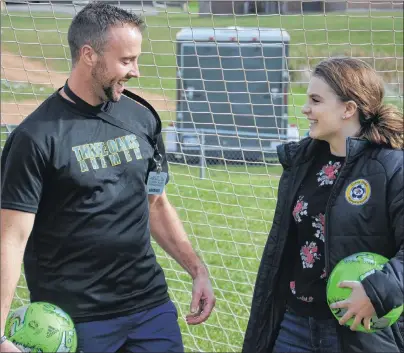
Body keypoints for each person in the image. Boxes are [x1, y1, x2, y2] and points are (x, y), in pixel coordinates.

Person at [0, 2, 215, 352]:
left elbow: (156, 203)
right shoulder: (36, 137)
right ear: (89, 55)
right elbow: (10, 238)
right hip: (76, 320)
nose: (136, 71)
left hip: (150, 308)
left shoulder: (143, 117)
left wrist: (197, 270)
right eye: (126, 60)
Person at [242, 57, 403, 353]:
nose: (305, 109)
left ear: (348, 109)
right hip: (293, 324)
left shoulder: (391, 167)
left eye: (316, 100)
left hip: (357, 330)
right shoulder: (303, 162)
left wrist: (376, 292)